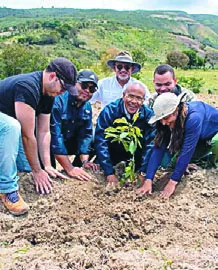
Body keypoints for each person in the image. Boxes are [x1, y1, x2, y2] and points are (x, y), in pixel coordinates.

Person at [0, 57, 77, 215]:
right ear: (52, 76)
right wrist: (37, 171)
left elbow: (43, 131)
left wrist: (45, 166)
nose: (62, 93)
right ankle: (7, 190)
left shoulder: (48, 94)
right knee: (12, 126)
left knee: (26, 167)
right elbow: (27, 136)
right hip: (6, 127)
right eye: (63, 88)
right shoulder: (28, 87)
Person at [137, 92, 218, 199]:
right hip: (201, 140)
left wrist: (172, 182)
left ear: (176, 111)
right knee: (172, 165)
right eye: (161, 119)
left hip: (213, 135)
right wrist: (148, 179)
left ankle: (213, 165)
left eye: (165, 118)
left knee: (215, 143)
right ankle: (202, 160)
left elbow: (187, 150)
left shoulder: (194, 118)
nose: (163, 123)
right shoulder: (166, 121)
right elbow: (158, 148)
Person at [94, 82, 155, 187]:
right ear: (123, 96)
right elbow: (101, 141)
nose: (134, 101)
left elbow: (150, 145)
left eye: (139, 98)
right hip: (113, 155)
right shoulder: (110, 111)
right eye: (130, 96)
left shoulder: (148, 115)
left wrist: (143, 172)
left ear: (143, 101)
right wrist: (109, 173)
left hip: (136, 159)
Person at [50, 69, 99, 180]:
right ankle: (67, 169)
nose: (87, 91)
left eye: (92, 89)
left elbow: (85, 135)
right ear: (74, 83)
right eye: (84, 86)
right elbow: (55, 137)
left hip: (69, 141)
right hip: (50, 144)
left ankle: (79, 167)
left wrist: (85, 161)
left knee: (95, 138)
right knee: (50, 174)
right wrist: (69, 168)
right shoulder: (59, 101)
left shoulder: (87, 107)